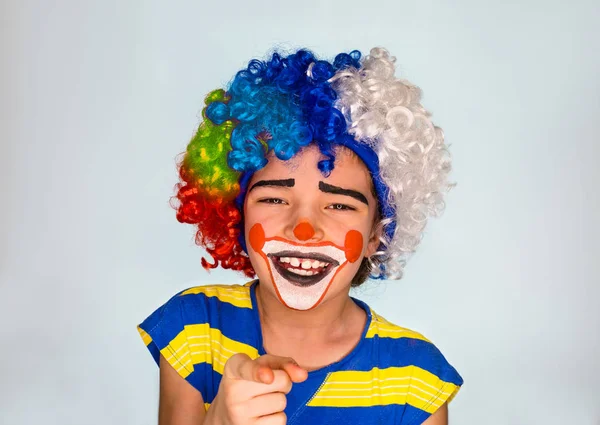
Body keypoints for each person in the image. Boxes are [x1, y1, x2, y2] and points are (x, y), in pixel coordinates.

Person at [138, 47, 463, 425]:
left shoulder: (415, 379)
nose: (303, 229)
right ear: (235, 214)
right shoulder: (194, 329)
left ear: (377, 234)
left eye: (340, 206)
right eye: (274, 198)